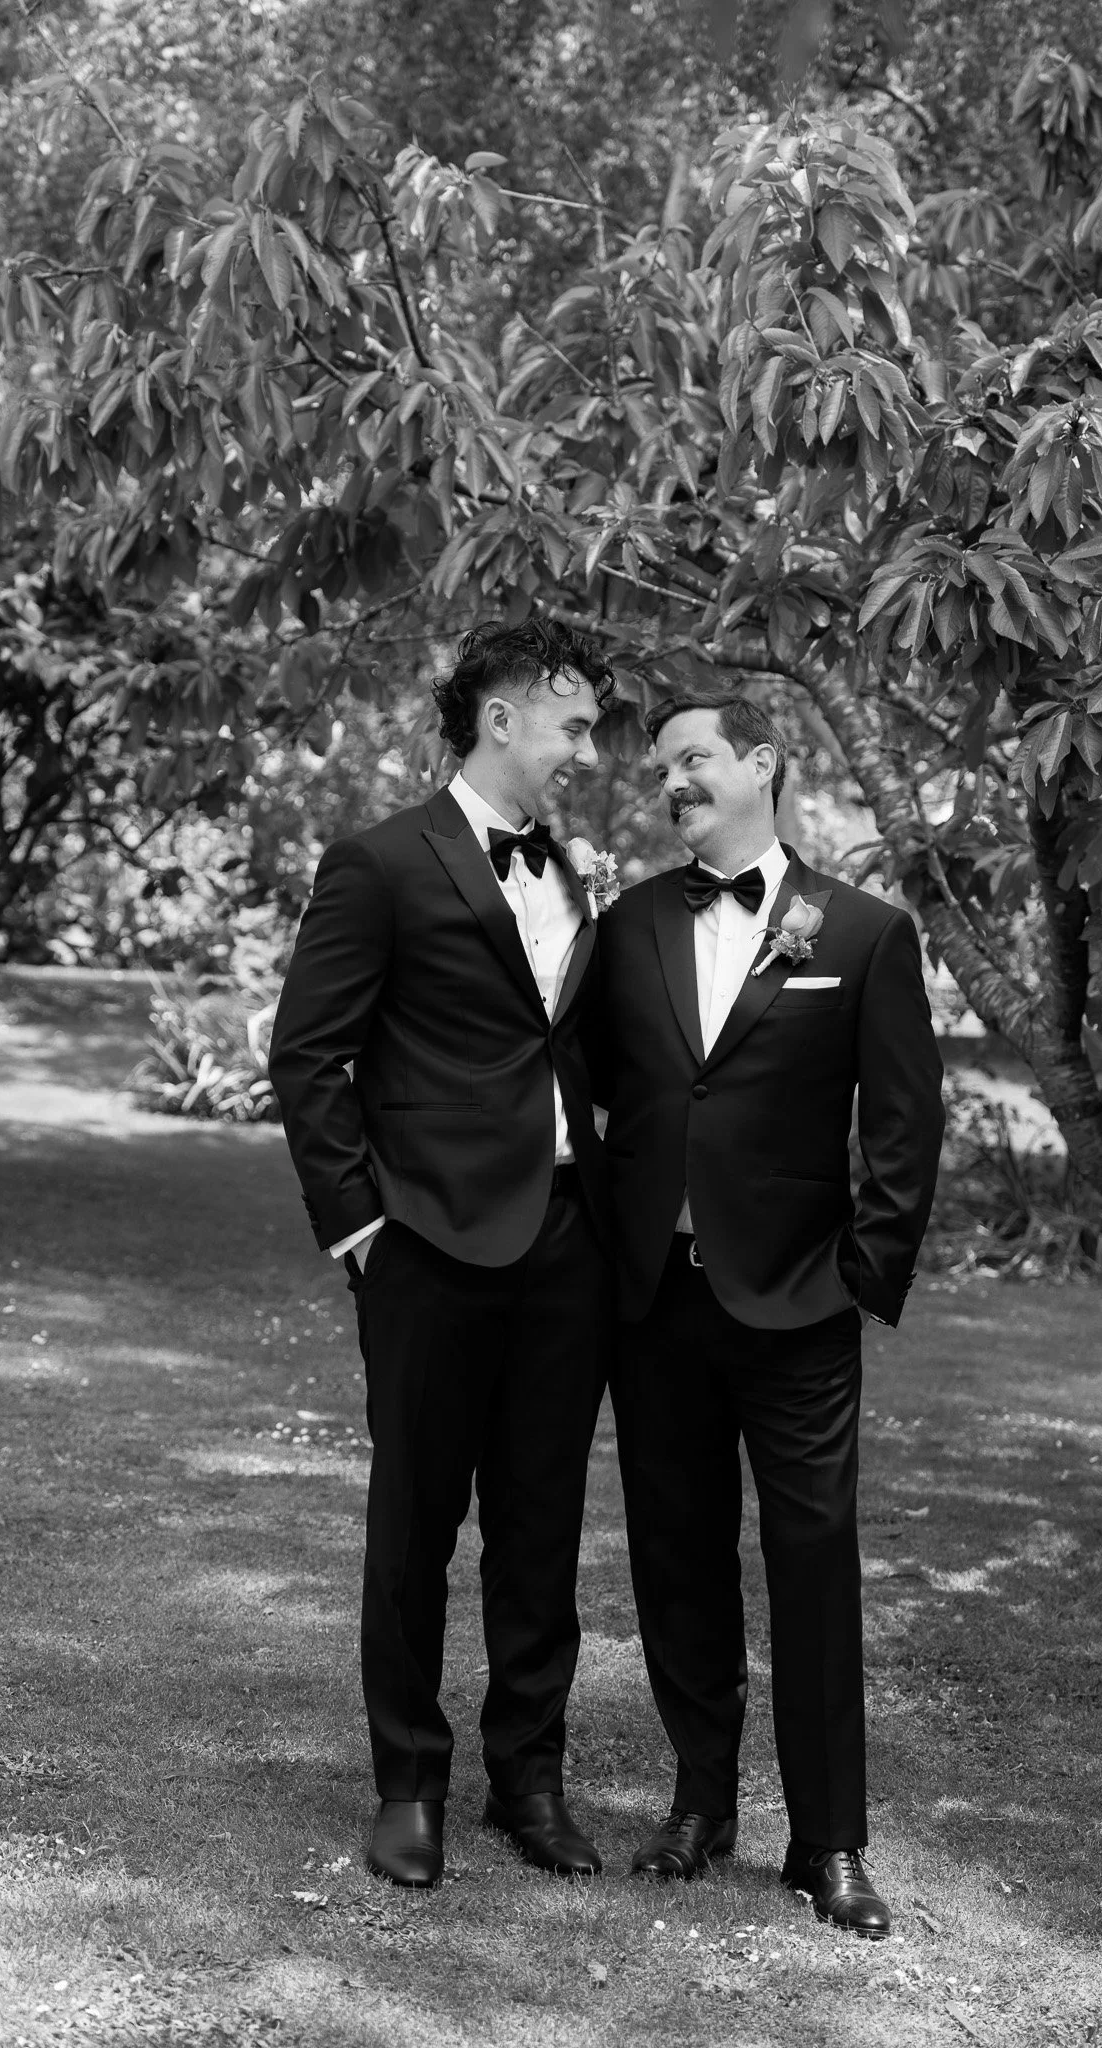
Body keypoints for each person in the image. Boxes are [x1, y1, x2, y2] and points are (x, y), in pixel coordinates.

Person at [268, 618, 614, 1888]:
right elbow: (309, 1053)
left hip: (568, 1243)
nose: (588, 748)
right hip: (426, 1243)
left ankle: (530, 1778)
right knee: (416, 1519)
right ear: (504, 717)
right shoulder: (378, 862)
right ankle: (408, 1780)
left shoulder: (578, 872)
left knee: (543, 1522)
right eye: (573, 723)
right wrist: (364, 1227)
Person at [593, 692, 945, 1937]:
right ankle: (700, 1803)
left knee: (813, 1566)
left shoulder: (860, 930)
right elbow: (590, 1097)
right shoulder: (629, 922)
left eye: (692, 759)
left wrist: (862, 1270)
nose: (671, 782)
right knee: (676, 1559)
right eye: (661, 769)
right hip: (656, 1305)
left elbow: (904, 1124)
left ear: (761, 762)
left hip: (799, 1307)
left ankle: (828, 1840)